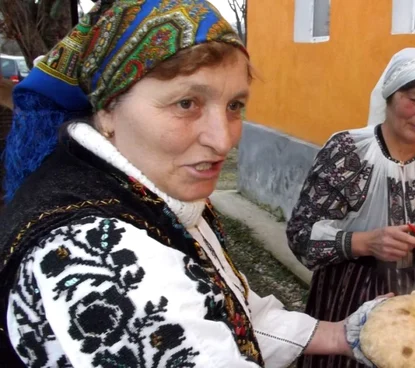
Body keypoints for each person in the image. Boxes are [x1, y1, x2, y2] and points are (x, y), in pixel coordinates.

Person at [0, 1, 385, 367]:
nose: (224, 140)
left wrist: (338, 336)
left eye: (235, 105)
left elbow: (228, 312)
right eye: (186, 103)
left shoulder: (150, 194)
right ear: (107, 111)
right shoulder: (102, 259)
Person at [287, 47, 415, 368]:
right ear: (389, 97)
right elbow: (300, 236)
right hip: (350, 302)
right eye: (414, 99)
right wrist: (365, 242)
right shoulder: (348, 153)